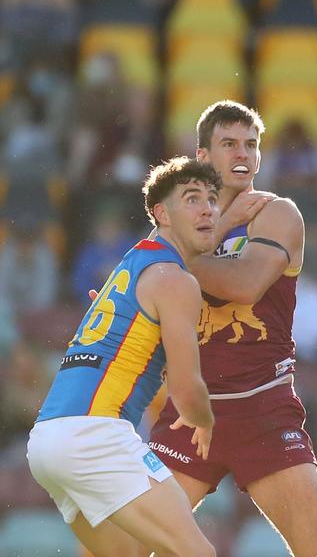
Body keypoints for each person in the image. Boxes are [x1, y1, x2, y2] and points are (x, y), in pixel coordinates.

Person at [139, 100, 317, 557]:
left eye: (251, 144)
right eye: (229, 144)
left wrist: (179, 258)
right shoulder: (178, 221)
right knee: (128, 549)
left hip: (262, 408)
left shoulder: (276, 213)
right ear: (203, 157)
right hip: (190, 412)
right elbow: (142, 288)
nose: (242, 154)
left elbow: (246, 285)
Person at [26, 157, 220, 557]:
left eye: (212, 199)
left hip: (47, 440)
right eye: (192, 198)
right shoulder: (175, 279)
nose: (207, 209)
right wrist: (205, 419)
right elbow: (187, 390)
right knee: (197, 553)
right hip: (93, 435)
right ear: (161, 213)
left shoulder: (128, 265)